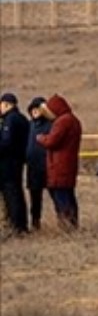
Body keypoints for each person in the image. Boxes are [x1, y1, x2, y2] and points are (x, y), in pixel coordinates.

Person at [40, 95, 81, 230]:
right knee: (68, 194)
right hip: (68, 163)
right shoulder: (73, 120)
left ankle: (66, 225)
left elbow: (52, 141)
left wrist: (41, 138)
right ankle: (73, 223)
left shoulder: (63, 122)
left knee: (61, 196)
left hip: (59, 165)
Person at [0, 93, 28, 235]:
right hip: (17, 162)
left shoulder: (10, 120)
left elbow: (6, 142)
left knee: (12, 194)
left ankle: (16, 226)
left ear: (6, 104)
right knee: (16, 192)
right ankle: (19, 225)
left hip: (9, 163)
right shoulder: (21, 119)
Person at [24, 98, 50, 231]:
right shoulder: (29, 125)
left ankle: (64, 221)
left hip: (48, 165)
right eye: (32, 109)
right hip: (32, 166)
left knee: (55, 194)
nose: (34, 112)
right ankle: (35, 222)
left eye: (37, 109)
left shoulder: (51, 125)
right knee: (35, 197)